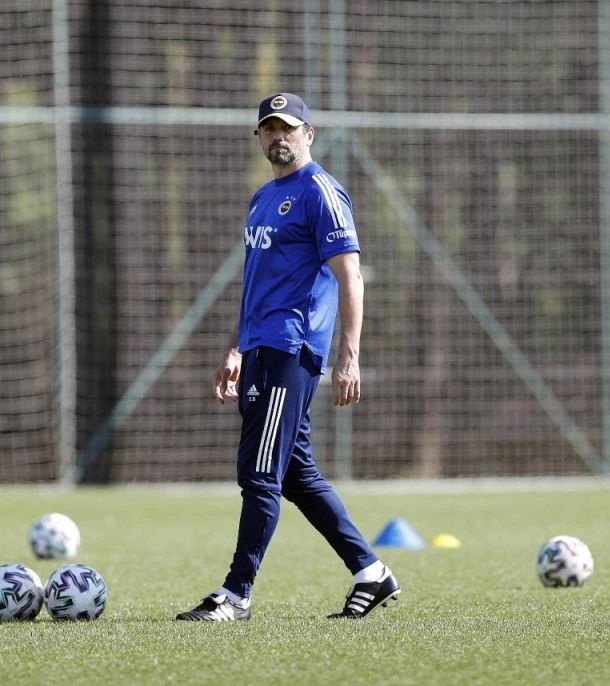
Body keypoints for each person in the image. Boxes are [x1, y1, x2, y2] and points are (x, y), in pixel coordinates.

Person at [175, 93, 400, 622]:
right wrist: (236, 346)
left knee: (259, 473)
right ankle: (371, 572)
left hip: (291, 348)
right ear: (258, 136)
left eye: (289, 128)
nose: (279, 136)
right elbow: (259, 282)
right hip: (259, 348)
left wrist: (349, 356)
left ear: (309, 135)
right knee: (295, 474)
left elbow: (351, 277)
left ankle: (236, 594)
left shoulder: (321, 191)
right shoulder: (262, 197)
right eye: (270, 128)